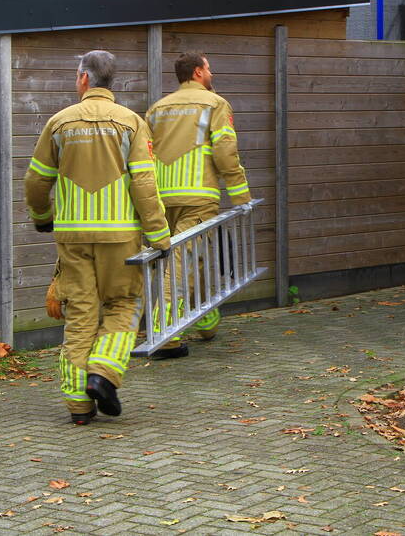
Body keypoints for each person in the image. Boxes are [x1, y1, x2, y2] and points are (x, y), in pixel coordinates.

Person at [25, 50, 170, 424]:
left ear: (84, 79)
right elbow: (144, 181)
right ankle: (102, 375)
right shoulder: (131, 123)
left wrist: (43, 218)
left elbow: (36, 179)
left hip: (72, 238)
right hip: (120, 238)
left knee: (81, 316)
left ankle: (78, 406)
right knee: (122, 306)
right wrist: (158, 234)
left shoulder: (58, 123)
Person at [145, 51, 251, 359]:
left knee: (196, 260)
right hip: (198, 197)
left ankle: (206, 319)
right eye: (208, 68)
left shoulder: (156, 109)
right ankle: (164, 336)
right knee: (181, 267)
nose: (212, 73)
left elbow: (144, 156)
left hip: (164, 198)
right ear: (197, 72)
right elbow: (225, 151)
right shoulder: (215, 104)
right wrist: (241, 196)